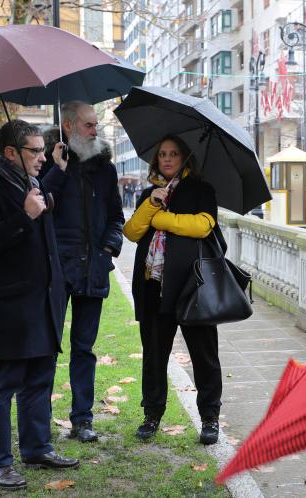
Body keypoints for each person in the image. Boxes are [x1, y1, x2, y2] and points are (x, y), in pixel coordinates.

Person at [0, 120, 78, 491]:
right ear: (11, 152)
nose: (42, 157)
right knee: (2, 385)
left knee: (40, 382)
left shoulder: (34, 184)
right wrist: (23, 215)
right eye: (35, 150)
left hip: (44, 303)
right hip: (9, 307)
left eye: (43, 149)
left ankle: (37, 448)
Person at [122, 135, 224, 445]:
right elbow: (132, 231)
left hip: (193, 286)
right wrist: (152, 203)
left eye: (174, 154)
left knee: (204, 356)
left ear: (184, 159)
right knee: (154, 356)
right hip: (154, 287)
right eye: (162, 154)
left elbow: (204, 225)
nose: (167, 159)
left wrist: (163, 218)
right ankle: (152, 414)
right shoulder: (149, 193)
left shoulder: (202, 190)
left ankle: (210, 418)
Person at [40, 101, 125, 442]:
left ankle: (82, 419)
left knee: (84, 349)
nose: (95, 131)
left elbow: (116, 218)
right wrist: (56, 170)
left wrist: (107, 251)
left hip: (94, 268)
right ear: (70, 125)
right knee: (46, 347)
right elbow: (41, 204)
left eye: (96, 125)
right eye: (89, 125)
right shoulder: (49, 160)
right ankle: (39, 421)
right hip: (56, 271)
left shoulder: (106, 168)